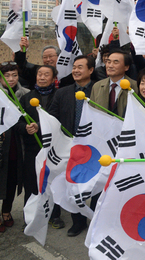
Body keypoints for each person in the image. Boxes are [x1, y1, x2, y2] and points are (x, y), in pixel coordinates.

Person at [48, 55, 96, 237]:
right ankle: (78, 222)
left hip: (93, 147)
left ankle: (96, 220)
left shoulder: (99, 90)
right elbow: (52, 117)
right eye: (74, 67)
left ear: (90, 70)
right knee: (74, 185)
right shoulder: (62, 93)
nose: (75, 70)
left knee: (95, 185)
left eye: (80, 67)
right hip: (70, 147)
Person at [17, 65, 64, 228]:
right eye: (39, 74)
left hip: (53, 148)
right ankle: (30, 217)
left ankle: (54, 215)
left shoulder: (60, 96)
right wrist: (25, 128)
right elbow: (18, 122)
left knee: (53, 182)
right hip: (32, 149)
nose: (42, 77)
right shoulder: (26, 97)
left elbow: (61, 120)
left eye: (46, 74)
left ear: (53, 78)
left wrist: (40, 125)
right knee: (31, 183)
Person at [0, 62, 29, 232]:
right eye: (6, 75)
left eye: (14, 75)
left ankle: (6, 211)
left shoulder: (25, 94)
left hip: (17, 144)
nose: (10, 79)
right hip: (1, 142)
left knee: (12, 179)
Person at [90, 49, 138, 118]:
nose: (110, 66)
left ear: (126, 67)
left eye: (116, 62)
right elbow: (92, 112)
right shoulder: (97, 86)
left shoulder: (135, 86)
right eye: (108, 62)